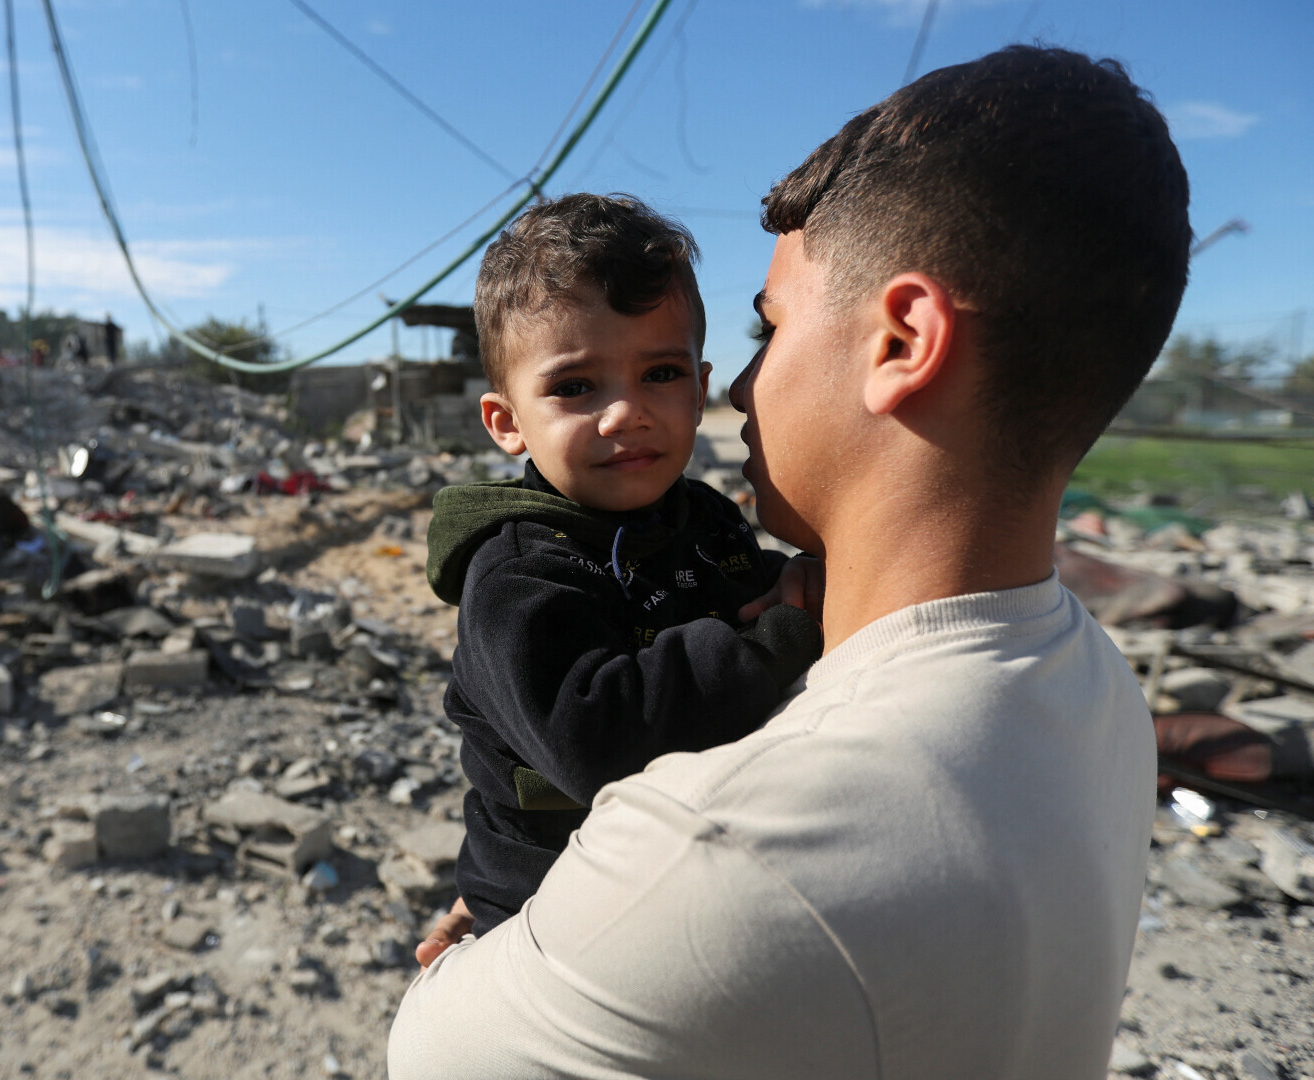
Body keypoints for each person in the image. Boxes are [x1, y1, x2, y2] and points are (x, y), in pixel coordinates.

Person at [390, 44, 1185, 1078]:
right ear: (508, 420)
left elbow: (430, 1053)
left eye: (765, 335)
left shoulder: (728, 857)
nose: (734, 395)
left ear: (901, 341)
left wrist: (490, 951)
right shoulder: (1097, 693)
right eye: (578, 388)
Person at [421, 193, 825, 943]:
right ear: (507, 423)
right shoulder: (518, 573)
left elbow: (748, 597)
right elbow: (594, 740)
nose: (625, 413)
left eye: (661, 373)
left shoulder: (702, 518)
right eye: (575, 387)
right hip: (552, 903)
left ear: (701, 388)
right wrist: (774, 641)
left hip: (675, 867)